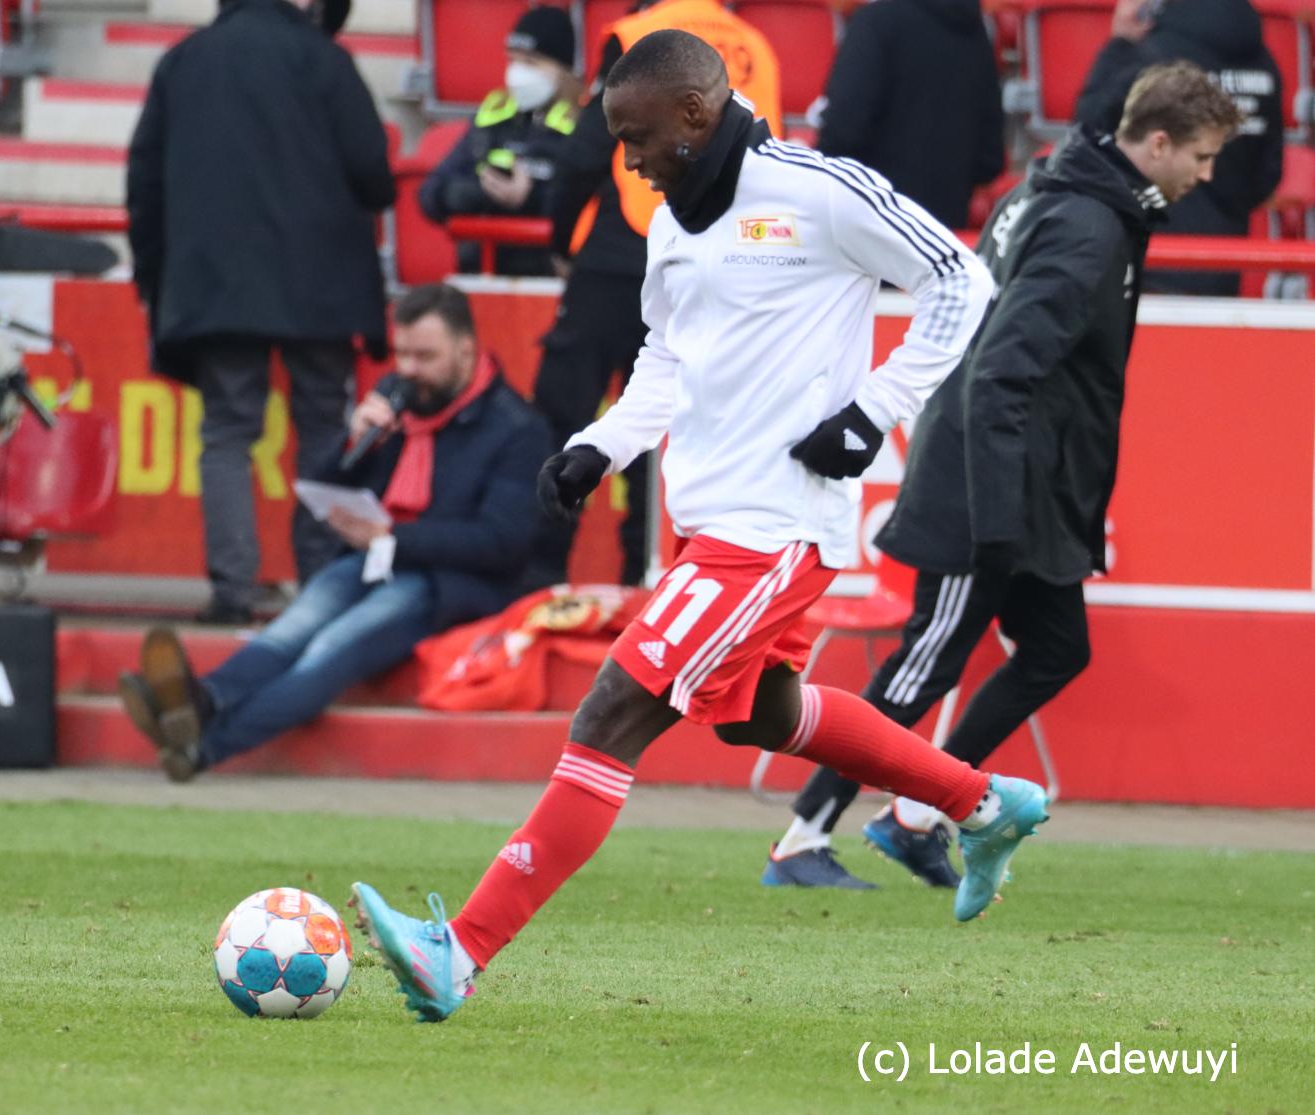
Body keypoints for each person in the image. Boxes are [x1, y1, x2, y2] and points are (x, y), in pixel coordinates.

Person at [348, 31, 1052, 1024]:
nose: (627, 163)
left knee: (609, 713)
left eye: (635, 139)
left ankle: (458, 949)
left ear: (694, 111)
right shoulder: (673, 222)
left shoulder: (820, 191)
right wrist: (602, 443)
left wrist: (872, 408)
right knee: (757, 712)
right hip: (708, 515)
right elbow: (666, 353)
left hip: (776, 524)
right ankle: (980, 803)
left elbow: (960, 281)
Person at [771, 61, 1241, 890]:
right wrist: (992, 520)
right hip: (990, 481)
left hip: (1024, 478)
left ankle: (915, 814)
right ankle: (801, 836)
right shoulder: (1089, 227)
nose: (1206, 175)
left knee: (1056, 648)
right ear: (1158, 143)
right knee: (928, 659)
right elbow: (997, 374)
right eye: (1201, 156)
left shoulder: (1061, 193)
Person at [117, 284, 550, 782]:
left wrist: (392, 538)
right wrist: (354, 438)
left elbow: (502, 541)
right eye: (402, 353)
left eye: (424, 356)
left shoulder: (518, 428)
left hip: (448, 585)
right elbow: (324, 483)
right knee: (290, 631)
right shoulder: (397, 400)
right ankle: (201, 700)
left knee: (329, 650)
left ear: (466, 351)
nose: (407, 369)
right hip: (373, 559)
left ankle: (202, 746)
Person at [126, 0, 395, 626]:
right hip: (322, 284)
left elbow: (144, 185)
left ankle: (232, 590)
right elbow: (373, 177)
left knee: (226, 432)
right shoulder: (327, 59)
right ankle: (322, 586)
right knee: (324, 429)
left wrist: (153, 282)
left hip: (215, 285)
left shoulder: (182, 62)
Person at [526, 0, 781, 590]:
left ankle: (539, 589)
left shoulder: (635, 34)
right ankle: (642, 589)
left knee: (565, 431)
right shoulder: (754, 45)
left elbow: (589, 152)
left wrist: (561, 240)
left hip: (621, 257)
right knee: (660, 437)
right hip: (712, 264)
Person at [1074, 0, 1280, 296]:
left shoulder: (1151, 55)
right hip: (1223, 263)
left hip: (1151, 262)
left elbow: (1087, 131)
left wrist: (1119, 43)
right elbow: (1267, 174)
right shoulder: (1265, 62)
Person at [814, 0, 1005, 232]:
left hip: (869, 228)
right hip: (944, 236)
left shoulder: (876, 22)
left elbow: (842, 132)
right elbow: (989, 158)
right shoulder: (976, 30)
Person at [419, 6, 581, 277]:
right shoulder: (492, 119)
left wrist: (530, 197)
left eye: (531, 62)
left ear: (563, 69)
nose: (518, 73)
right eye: (513, 60)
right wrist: (479, 194)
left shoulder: (581, 127)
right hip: (482, 275)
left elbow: (589, 207)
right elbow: (429, 196)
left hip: (550, 278)